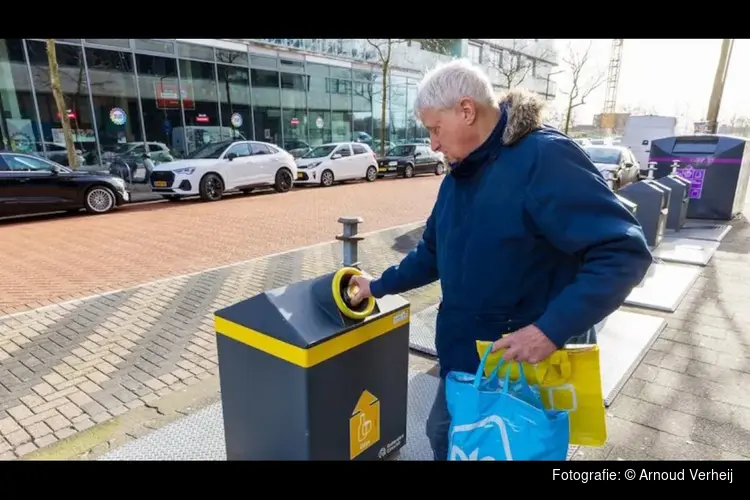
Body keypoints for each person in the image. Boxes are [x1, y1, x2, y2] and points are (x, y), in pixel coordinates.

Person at [348, 59, 653, 461]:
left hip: (517, 368)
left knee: (506, 448)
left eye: (435, 129)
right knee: (441, 434)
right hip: (463, 360)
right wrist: (377, 286)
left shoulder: (544, 158)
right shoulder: (459, 176)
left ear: (467, 110)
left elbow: (623, 251)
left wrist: (549, 329)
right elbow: (432, 255)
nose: (433, 144)